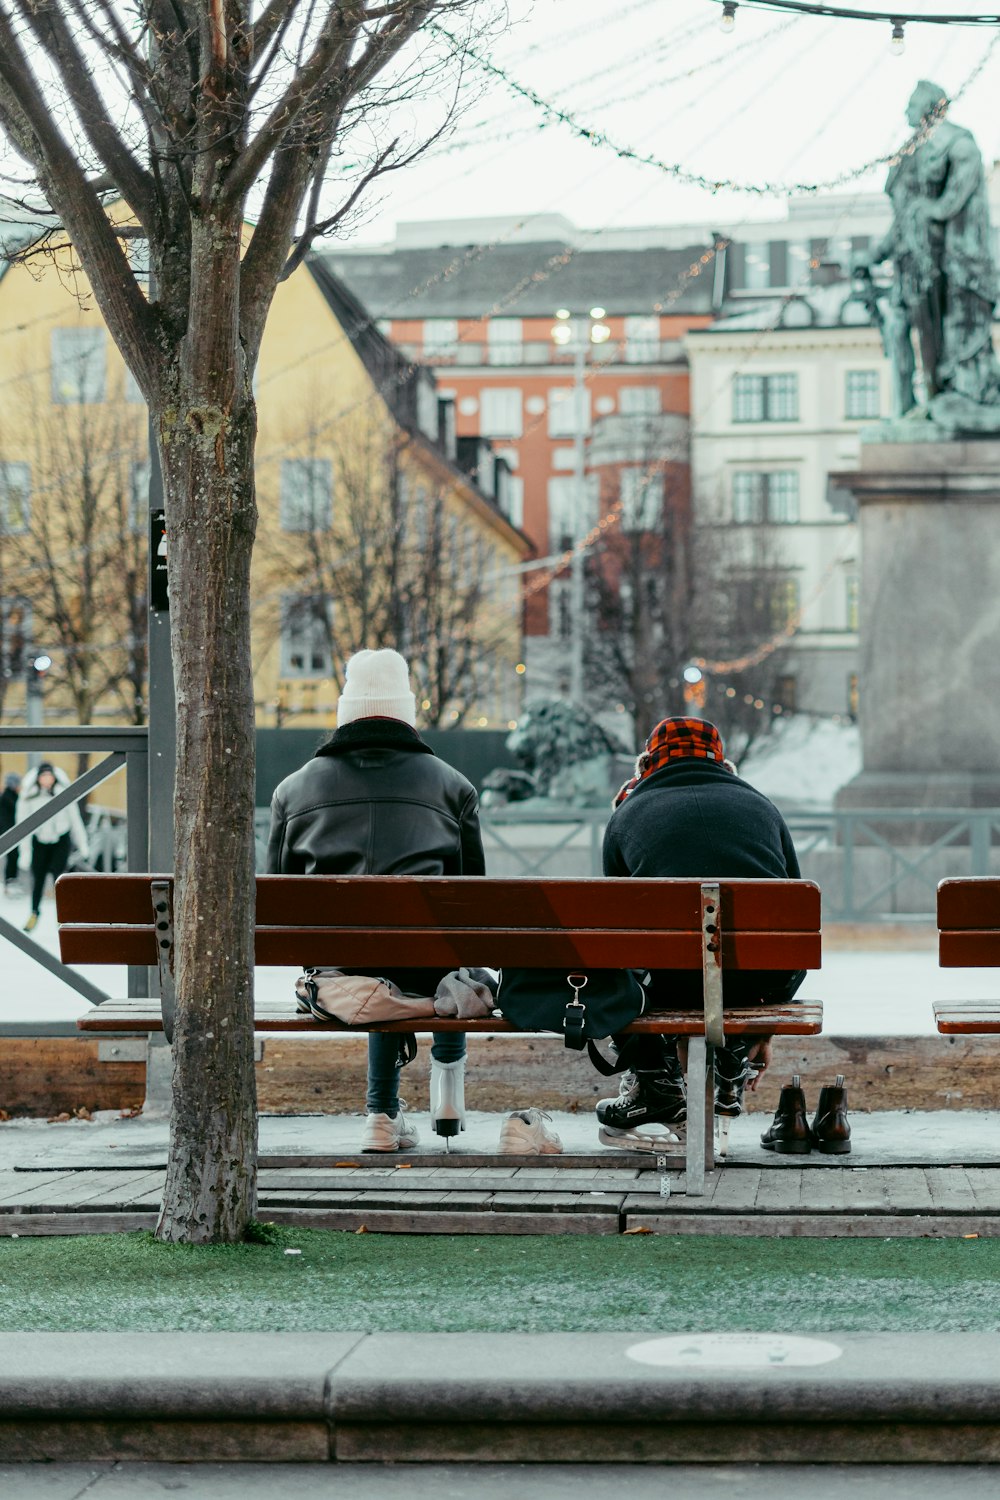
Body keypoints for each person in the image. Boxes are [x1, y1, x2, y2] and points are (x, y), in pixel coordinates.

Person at [266, 648, 488, 1154]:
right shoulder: (454, 785)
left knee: (371, 962)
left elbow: (277, 898)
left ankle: (380, 1118)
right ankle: (448, 1090)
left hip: (339, 976)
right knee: (448, 954)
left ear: (345, 711)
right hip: (427, 970)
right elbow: (472, 899)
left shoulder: (292, 789)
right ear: (405, 711)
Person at [596, 716, 805, 1150]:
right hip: (759, 980)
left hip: (672, 982)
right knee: (754, 961)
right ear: (720, 760)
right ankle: (731, 1060)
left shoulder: (628, 814)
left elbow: (619, 930)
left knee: (616, 966)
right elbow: (795, 917)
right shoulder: (762, 807)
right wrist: (761, 1029)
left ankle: (655, 1085)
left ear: (648, 762)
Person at [17, 762, 90, 932]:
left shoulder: (63, 794)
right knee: (39, 880)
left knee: (60, 881)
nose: (46, 779)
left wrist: (82, 843)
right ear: (38, 778)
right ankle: (34, 914)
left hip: (60, 841)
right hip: (40, 842)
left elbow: (75, 820)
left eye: (49, 776)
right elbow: (22, 825)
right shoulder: (30, 796)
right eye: (43, 776)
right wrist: (25, 852)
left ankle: (63, 917)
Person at [1, 773, 21, 895]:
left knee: (13, 857)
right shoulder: (8, 797)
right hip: (9, 831)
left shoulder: (9, 795)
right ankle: (10, 881)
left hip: (10, 830)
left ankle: (11, 880)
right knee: (12, 857)